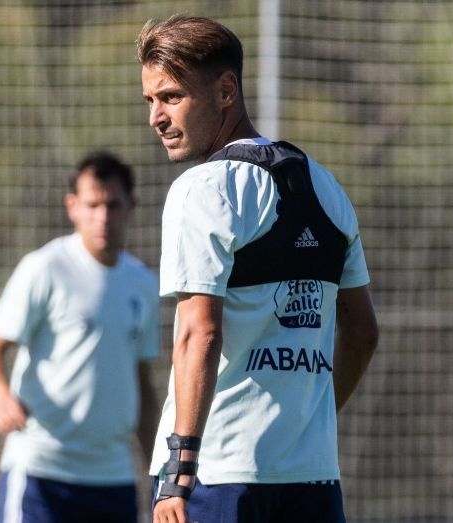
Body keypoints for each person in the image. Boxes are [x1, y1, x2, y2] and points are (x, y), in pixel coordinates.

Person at [137, 15, 379, 523]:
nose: (156, 116)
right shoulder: (328, 188)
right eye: (150, 101)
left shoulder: (204, 190)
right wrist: (310, 420)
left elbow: (198, 334)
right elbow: (362, 331)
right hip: (313, 479)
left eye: (172, 97)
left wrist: (179, 473)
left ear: (226, 90)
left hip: (218, 476)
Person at [0, 151, 161, 523]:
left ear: (131, 206)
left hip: (113, 477)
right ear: (72, 206)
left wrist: (159, 471)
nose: (102, 216)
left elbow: (142, 386)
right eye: (92, 205)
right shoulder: (44, 268)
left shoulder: (144, 285)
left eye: (112, 205)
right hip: (41, 469)